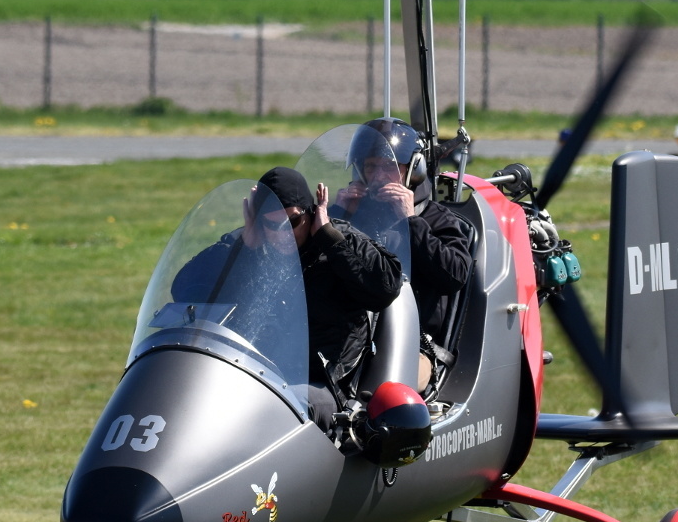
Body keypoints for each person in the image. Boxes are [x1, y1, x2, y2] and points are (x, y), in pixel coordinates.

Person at [172, 166, 402, 421]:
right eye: (271, 224)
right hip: (254, 375)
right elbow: (183, 289)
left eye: (292, 222)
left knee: (276, 411)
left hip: (324, 384)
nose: (283, 233)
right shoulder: (250, 244)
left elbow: (385, 289)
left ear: (312, 212)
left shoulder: (339, 240)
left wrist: (329, 238)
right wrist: (244, 249)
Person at [334, 118, 473, 390]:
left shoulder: (436, 219)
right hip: (348, 339)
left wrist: (411, 221)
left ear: (414, 170)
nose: (377, 176)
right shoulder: (351, 215)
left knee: (384, 388)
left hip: (413, 347)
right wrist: (337, 219)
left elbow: (454, 275)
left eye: (389, 166)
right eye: (370, 166)